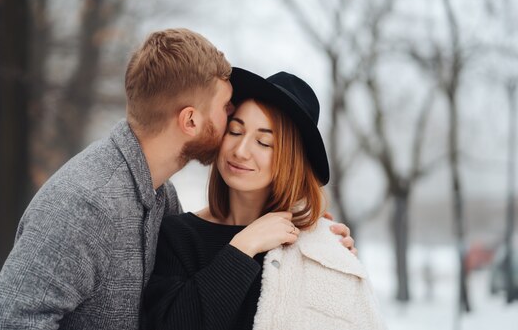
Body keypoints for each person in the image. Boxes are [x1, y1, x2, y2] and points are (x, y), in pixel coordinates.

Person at [0, 29, 355, 330]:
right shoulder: (86, 202)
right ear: (191, 120)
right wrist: (243, 247)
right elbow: (6, 323)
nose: (237, 145)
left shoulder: (159, 199)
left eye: (264, 141)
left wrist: (321, 242)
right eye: (228, 113)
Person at [143, 68, 384, 330]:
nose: (241, 151)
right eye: (235, 132)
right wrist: (243, 247)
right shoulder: (178, 235)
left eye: (264, 142)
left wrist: (329, 254)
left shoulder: (313, 246)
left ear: (291, 161)